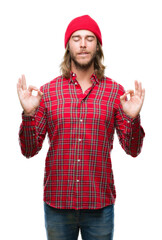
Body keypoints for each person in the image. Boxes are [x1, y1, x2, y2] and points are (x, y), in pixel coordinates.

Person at [17, 15, 145, 240]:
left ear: (98, 46)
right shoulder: (48, 92)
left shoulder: (116, 92)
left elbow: (132, 150)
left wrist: (133, 118)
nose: (83, 44)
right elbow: (29, 150)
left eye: (89, 38)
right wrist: (29, 114)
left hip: (99, 204)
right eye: (76, 38)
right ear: (68, 46)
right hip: (58, 203)